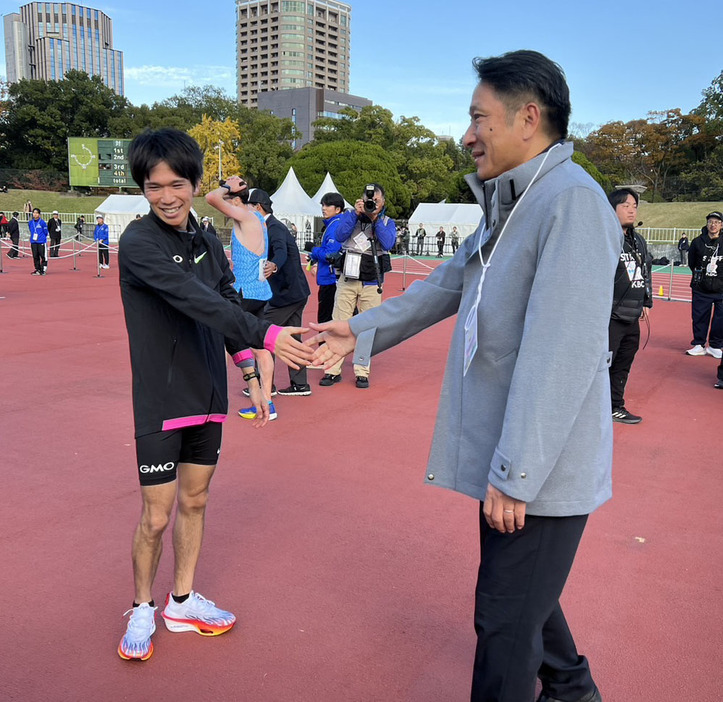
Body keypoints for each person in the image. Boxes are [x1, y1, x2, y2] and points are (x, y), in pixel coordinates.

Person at [310, 50, 619, 702]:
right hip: (514, 453)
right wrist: (356, 330)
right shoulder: (513, 203)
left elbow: (560, 354)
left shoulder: (571, 205)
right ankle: (573, 692)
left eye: (479, 117)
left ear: (528, 119)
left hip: (540, 468)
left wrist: (515, 475)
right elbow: (447, 285)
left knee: (502, 623)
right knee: (521, 600)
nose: (466, 134)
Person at [116, 127, 312, 662]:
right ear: (143, 189)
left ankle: (181, 601)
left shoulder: (205, 240)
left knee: (196, 501)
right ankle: (141, 606)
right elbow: (193, 301)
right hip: (161, 399)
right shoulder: (138, 243)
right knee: (156, 516)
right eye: (154, 187)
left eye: (177, 183)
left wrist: (249, 370)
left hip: (207, 395)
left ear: (195, 182)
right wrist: (269, 336)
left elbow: (225, 300)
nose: (167, 196)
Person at [206, 176, 277, 418]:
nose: (225, 210)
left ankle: (217, 395)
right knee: (260, 346)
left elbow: (211, 198)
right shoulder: (258, 220)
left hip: (245, 292)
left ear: (236, 200)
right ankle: (268, 402)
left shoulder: (246, 215)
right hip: (258, 291)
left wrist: (226, 188)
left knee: (225, 338)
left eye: (229, 202)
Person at [318, 184, 396, 390]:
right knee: (338, 325)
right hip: (347, 280)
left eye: (376, 201)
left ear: (383, 203)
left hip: (372, 282)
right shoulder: (350, 217)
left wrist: (374, 219)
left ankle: (362, 371)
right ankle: (332, 370)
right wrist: (355, 213)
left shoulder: (387, 221)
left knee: (367, 329)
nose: (372, 204)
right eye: (369, 200)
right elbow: (342, 234)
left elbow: (388, 243)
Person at [247, 188, 313, 399]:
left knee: (263, 334)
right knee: (292, 340)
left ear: (257, 207)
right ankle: (300, 385)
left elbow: (281, 251)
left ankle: (264, 386)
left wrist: (273, 265)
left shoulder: (273, 227)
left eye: (249, 207)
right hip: (295, 292)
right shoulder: (270, 226)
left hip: (286, 294)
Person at [607, 188, 652, 424]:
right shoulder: (604, 236)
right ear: (612, 209)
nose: (632, 209)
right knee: (602, 365)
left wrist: (647, 301)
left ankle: (615, 406)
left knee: (624, 363)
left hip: (632, 315)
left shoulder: (638, 241)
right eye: (625, 205)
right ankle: (593, 407)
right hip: (609, 316)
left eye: (634, 205)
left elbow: (646, 271)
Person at [686, 211, 723, 358]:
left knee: (721, 319)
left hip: (721, 288)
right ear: (706, 224)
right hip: (701, 287)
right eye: (710, 222)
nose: (713, 225)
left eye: (716, 222)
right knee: (699, 317)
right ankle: (699, 344)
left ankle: (715, 345)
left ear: (721, 225)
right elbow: (692, 262)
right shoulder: (697, 242)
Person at [308, 192, 344, 324]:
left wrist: (313, 250)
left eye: (328, 205)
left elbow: (330, 255)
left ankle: (325, 344)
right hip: (331, 277)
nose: (324, 208)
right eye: (323, 205)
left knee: (326, 319)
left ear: (338, 209)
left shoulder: (335, 226)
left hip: (330, 279)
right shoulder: (333, 224)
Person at [28, 208, 48, 275]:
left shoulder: (42, 222)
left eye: (36, 213)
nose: (35, 214)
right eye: (34, 213)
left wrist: (41, 237)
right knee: (35, 256)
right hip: (33, 242)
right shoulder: (30, 222)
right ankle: (37, 269)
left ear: (39, 214)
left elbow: (46, 232)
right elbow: (31, 230)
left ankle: (43, 269)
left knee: (43, 256)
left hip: (41, 242)